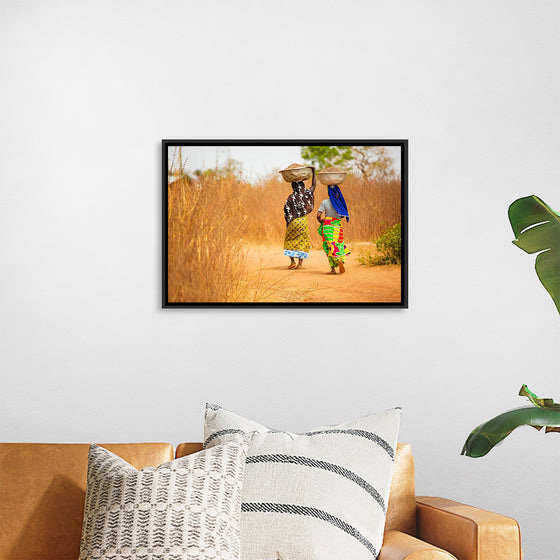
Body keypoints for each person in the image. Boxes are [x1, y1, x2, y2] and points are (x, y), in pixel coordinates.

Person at [283, 165, 316, 269]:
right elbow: (314, 185)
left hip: (293, 222)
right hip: (302, 222)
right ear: (302, 186)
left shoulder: (290, 197)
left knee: (289, 240)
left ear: (293, 186)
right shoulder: (306, 194)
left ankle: (292, 261)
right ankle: (300, 264)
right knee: (302, 241)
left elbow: (286, 210)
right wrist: (314, 171)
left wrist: (288, 222)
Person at [317, 180, 350, 274]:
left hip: (328, 225)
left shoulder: (325, 202)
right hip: (337, 226)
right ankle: (341, 260)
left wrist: (320, 221)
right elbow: (343, 215)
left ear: (328, 192)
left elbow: (318, 215)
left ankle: (333, 269)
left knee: (328, 246)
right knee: (338, 243)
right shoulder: (340, 202)